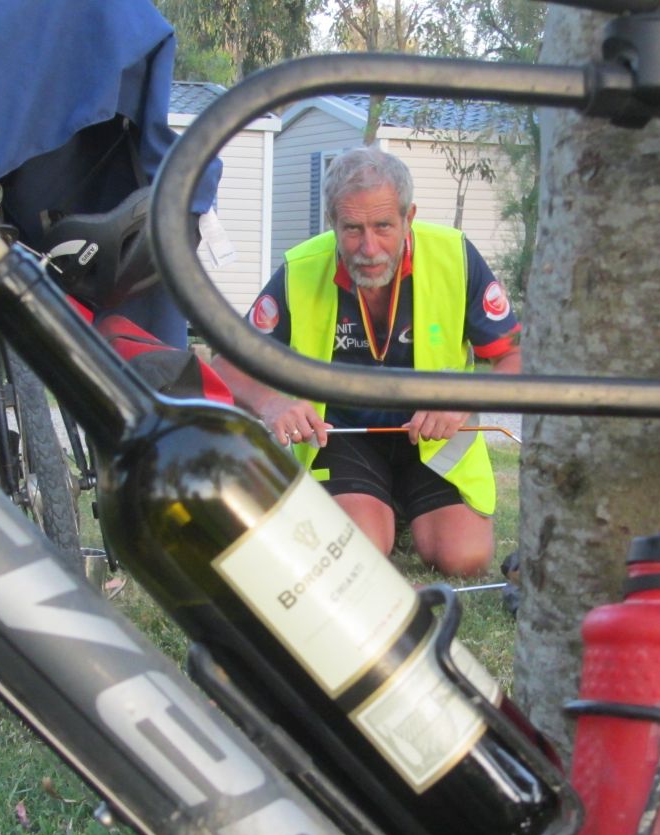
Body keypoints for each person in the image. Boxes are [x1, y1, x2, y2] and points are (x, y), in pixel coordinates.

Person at [212, 147, 521, 577]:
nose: (369, 248)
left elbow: (514, 356)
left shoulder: (455, 255)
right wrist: (273, 404)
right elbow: (226, 366)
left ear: (409, 217)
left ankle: (399, 508)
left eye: (383, 226)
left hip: (434, 436)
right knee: (359, 552)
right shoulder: (301, 268)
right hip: (344, 435)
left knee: (463, 560)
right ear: (332, 222)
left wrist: (462, 401)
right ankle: (377, 511)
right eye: (353, 229)